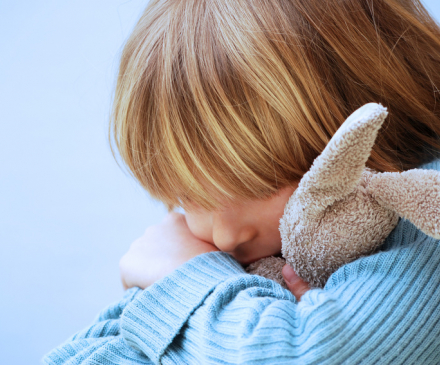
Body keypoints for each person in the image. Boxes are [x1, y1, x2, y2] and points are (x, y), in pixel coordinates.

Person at [43, 0, 440, 364]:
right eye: (189, 195)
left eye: (255, 185)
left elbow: (313, 356)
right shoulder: (253, 251)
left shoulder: (424, 212)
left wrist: (186, 277)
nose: (225, 237)